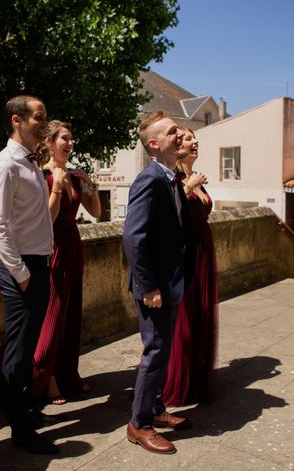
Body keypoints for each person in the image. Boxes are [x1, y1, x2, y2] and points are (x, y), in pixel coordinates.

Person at [0, 95, 59, 455]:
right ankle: (21, 429)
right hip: (23, 269)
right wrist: (23, 274)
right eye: (38, 116)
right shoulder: (5, 165)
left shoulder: (30, 161)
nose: (44, 122)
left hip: (38, 263)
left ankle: (24, 410)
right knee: (18, 352)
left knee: (28, 347)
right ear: (17, 120)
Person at [122, 111, 196, 455]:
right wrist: (149, 286)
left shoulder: (170, 176)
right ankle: (139, 424)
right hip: (154, 286)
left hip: (171, 281)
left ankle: (154, 408)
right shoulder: (149, 179)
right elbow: (134, 238)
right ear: (154, 144)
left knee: (163, 349)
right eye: (171, 132)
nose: (179, 135)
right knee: (154, 351)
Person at [32, 120, 101, 404]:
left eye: (72, 139)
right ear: (49, 143)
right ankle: (44, 378)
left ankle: (68, 374)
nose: (70, 144)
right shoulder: (40, 175)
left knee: (71, 314)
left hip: (73, 244)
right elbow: (46, 219)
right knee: (52, 313)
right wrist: (57, 187)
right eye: (64, 139)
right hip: (52, 246)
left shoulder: (73, 175)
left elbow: (96, 212)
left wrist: (89, 184)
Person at [162, 128, 217, 406]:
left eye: (195, 139)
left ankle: (196, 378)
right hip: (185, 253)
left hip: (203, 252)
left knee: (200, 315)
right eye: (187, 138)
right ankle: (177, 383)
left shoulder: (194, 176)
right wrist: (189, 186)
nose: (194, 142)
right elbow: (166, 213)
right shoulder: (171, 177)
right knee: (183, 318)